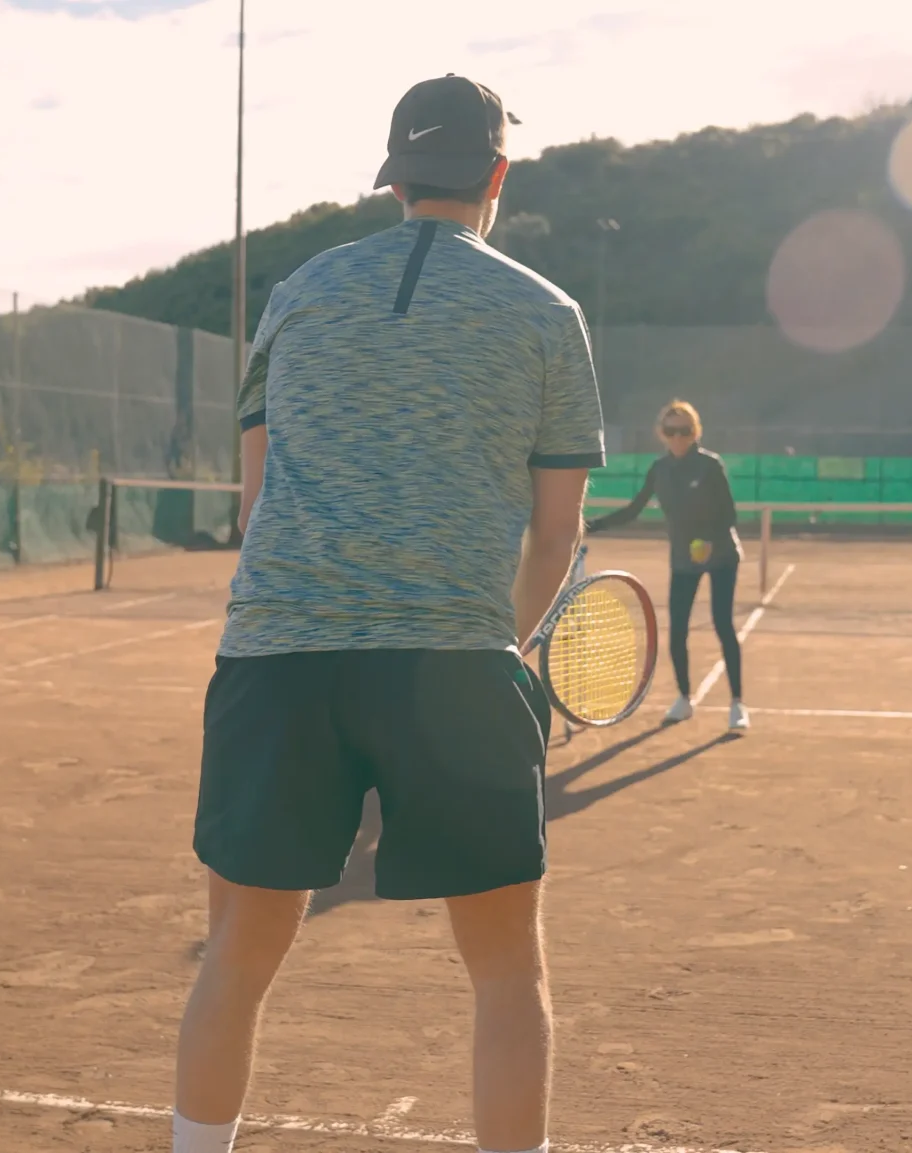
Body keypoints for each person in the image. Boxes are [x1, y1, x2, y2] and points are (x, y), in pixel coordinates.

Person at [172, 75, 604, 1153]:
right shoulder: (547, 315)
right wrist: (496, 636)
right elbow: (555, 533)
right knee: (507, 969)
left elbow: (255, 498)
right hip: (454, 662)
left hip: (279, 657)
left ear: (392, 176)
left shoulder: (298, 294)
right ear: (495, 175)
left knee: (236, 952)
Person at [586, 400, 749, 731]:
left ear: (695, 432)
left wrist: (708, 542)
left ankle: (737, 704)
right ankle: (684, 699)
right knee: (677, 630)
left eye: (685, 431)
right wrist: (589, 526)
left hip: (721, 557)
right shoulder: (659, 470)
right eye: (672, 431)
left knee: (722, 624)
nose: (678, 437)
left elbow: (729, 515)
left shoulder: (710, 465)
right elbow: (633, 510)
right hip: (682, 559)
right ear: (662, 433)